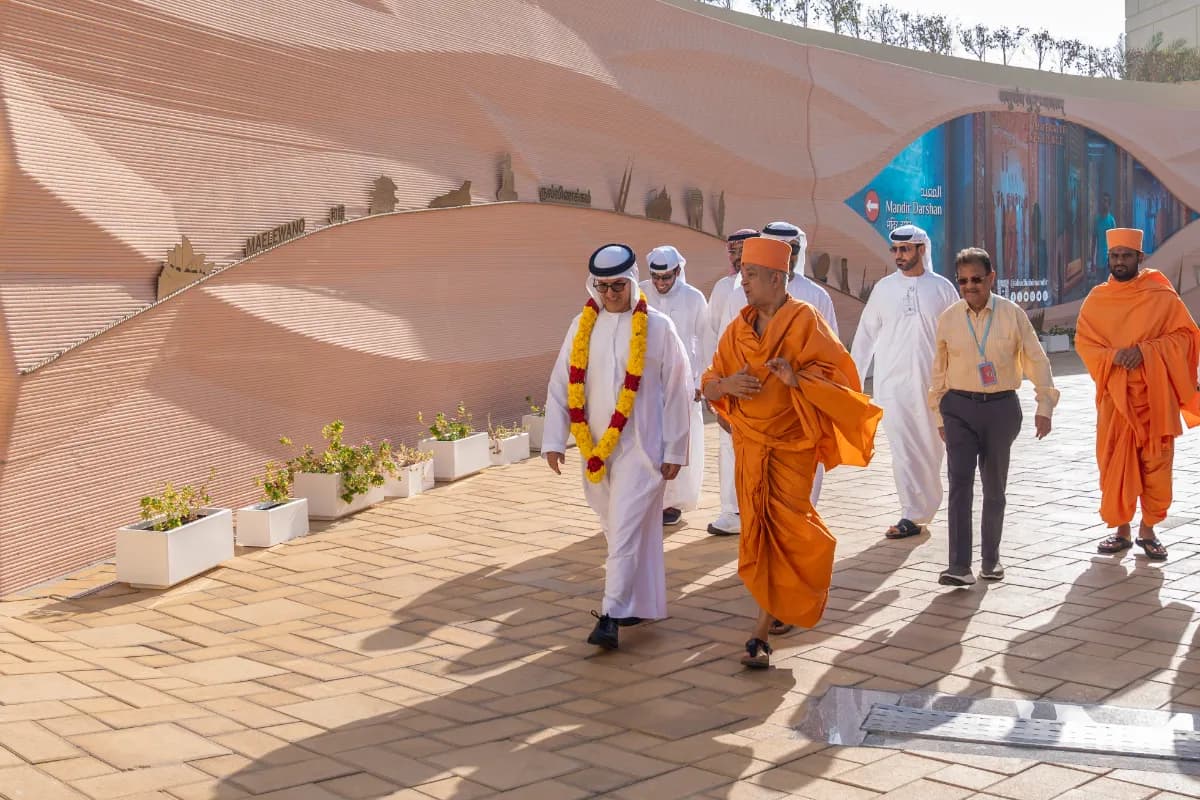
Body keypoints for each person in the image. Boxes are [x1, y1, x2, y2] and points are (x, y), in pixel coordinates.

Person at [702, 237, 881, 668]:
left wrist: (796, 378)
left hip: (791, 447)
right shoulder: (737, 329)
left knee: (790, 529)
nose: (742, 283)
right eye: (742, 274)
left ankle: (760, 632)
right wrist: (726, 387)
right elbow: (708, 383)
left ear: (776, 278)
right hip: (750, 446)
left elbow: (842, 380)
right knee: (758, 530)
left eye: (749, 275)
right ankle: (769, 616)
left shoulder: (806, 321)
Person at [543, 244, 693, 649]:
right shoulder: (582, 325)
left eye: (618, 286)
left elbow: (679, 389)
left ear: (632, 283)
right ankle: (638, 603)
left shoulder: (658, 327)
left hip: (643, 448)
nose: (610, 295)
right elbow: (561, 384)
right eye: (603, 287)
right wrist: (554, 440)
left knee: (625, 529)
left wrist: (677, 449)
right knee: (619, 530)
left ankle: (609, 615)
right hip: (596, 449)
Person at [928, 247, 1059, 586]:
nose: (969, 286)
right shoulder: (949, 318)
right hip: (958, 407)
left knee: (994, 487)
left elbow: (1036, 359)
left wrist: (1044, 406)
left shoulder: (1012, 314)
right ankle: (958, 566)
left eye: (976, 279)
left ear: (991, 278)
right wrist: (939, 414)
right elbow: (938, 371)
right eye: (963, 280)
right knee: (959, 483)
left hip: (1001, 408)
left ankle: (991, 560)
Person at [1075, 228, 1200, 562]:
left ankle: (1148, 531)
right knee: (1114, 460)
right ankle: (1121, 531)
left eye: (1126, 256)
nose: (1119, 262)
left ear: (1139, 258)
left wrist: (1145, 351)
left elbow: (1186, 336)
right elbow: (1085, 343)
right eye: (1114, 256)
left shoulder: (1160, 295)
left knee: (1156, 464)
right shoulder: (1098, 299)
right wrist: (1116, 356)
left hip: (1155, 399)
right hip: (1116, 400)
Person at [851, 224, 959, 539]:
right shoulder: (884, 288)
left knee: (930, 448)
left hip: (933, 386)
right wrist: (853, 381)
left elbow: (957, 338)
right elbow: (865, 335)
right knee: (903, 450)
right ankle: (911, 513)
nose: (899, 256)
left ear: (921, 250)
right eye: (895, 250)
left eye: (905, 250)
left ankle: (926, 506)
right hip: (892, 386)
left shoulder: (942, 288)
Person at [762, 220, 839, 507]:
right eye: (778, 248)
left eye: (792, 249)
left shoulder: (817, 296)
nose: (787, 255)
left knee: (805, 482)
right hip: (760, 404)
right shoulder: (741, 293)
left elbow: (832, 355)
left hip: (804, 402)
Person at [640, 245, 708, 525]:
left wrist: (700, 380)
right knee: (648, 438)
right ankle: (647, 497)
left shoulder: (694, 298)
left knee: (680, 439)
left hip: (683, 382)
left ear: (678, 272)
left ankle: (672, 503)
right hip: (647, 381)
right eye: (656, 277)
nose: (660, 283)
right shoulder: (640, 292)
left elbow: (705, 341)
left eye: (666, 278)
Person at [704, 229, 760, 537]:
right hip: (728, 383)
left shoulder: (765, 286)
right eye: (733, 252)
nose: (737, 258)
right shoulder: (723, 288)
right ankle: (732, 511)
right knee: (728, 445)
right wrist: (714, 383)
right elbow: (713, 334)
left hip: (762, 383)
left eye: (744, 251)